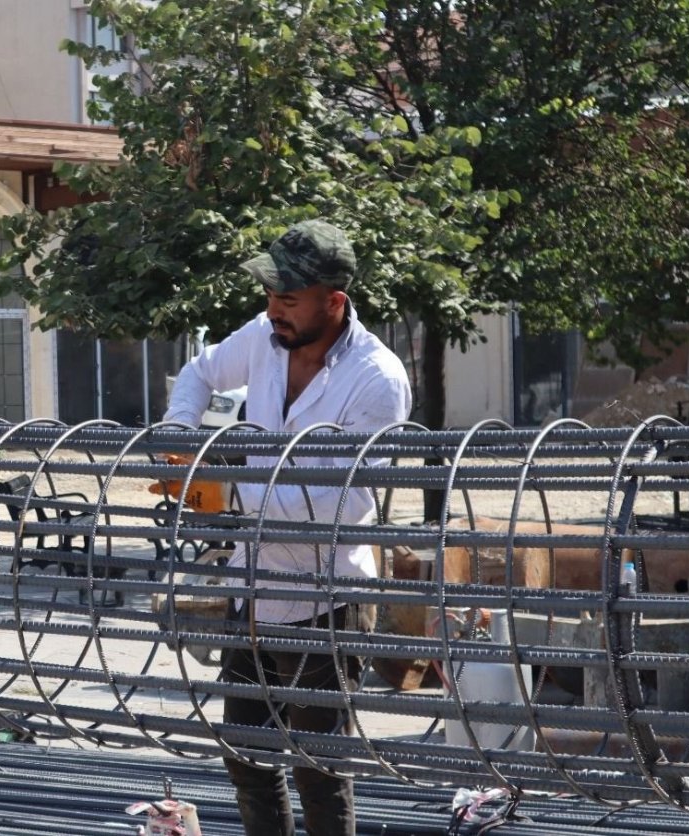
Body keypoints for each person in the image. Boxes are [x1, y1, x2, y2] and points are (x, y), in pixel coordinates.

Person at [162, 219, 412, 836]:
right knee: (246, 758)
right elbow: (198, 373)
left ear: (335, 301)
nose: (275, 309)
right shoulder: (264, 337)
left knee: (318, 770)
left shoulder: (376, 380)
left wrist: (234, 494)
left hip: (326, 600)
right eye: (271, 295)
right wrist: (181, 441)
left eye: (290, 299)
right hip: (254, 590)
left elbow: (349, 504)